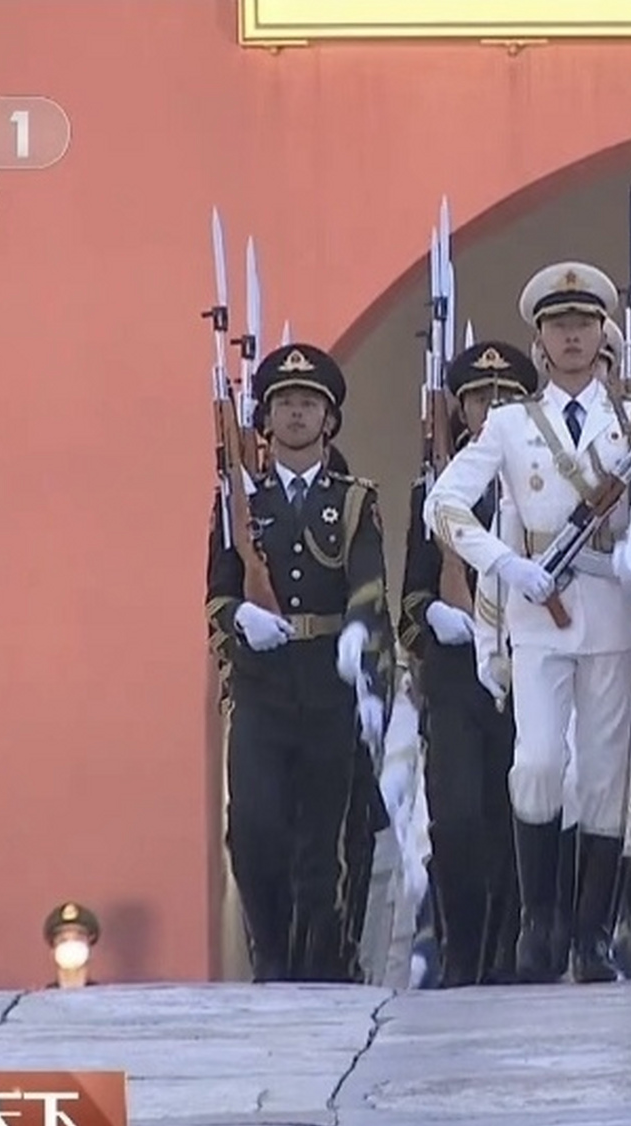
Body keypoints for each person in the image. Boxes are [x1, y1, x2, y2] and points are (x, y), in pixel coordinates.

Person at [424, 262, 631, 984]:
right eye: (558, 325)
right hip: (538, 610)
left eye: (584, 324)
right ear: (538, 340)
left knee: (603, 779)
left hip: (614, 609)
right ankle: (541, 920)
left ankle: (592, 933)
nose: (572, 336)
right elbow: (442, 505)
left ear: (605, 335)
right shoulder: (509, 423)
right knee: (537, 763)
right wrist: (506, 565)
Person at [206, 342, 390, 982]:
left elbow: (369, 586)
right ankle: (272, 951)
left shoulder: (357, 501)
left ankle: (319, 962)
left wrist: (359, 642)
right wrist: (239, 621)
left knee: (324, 837)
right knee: (253, 828)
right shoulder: (238, 502)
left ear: (328, 419)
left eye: (309, 403)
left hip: (328, 683)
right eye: (284, 403)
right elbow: (216, 597)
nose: (296, 414)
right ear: (265, 419)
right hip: (262, 688)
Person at [398, 339, 538, 986]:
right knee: (456, 821)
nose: (492, 408)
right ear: (461, 408)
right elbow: (412, 595)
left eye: (507, 397)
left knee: (518, 818)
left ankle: (508, 953)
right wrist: (434, 617)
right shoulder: (436, 489)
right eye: (481, 398)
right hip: (456, 682)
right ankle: (460, 951)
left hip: (527, 670)